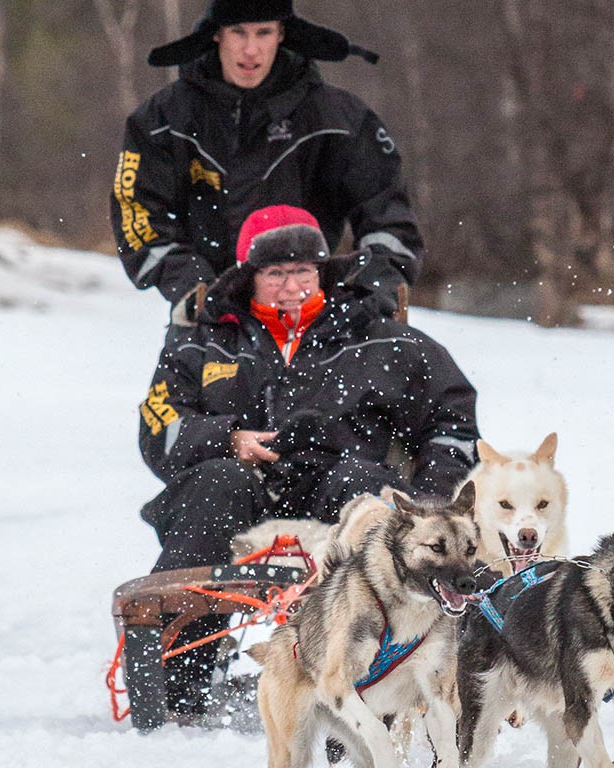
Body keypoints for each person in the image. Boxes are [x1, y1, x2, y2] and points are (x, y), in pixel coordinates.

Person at [137, 204, 478, 718]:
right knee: (215, 484)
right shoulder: (205, 339)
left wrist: (431, 501)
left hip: (338, 483)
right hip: (243, 484)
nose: (290, 284)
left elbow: (452, 422)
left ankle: (373, 680)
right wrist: (227, 439)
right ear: (249, 279)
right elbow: (159, 428)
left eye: (302, 270)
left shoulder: (381, 337)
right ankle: (181, 687)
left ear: (323, 272)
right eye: (274, 273)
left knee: (369, 492)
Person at [111, 0, 423, 325]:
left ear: (282, 34)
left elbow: (389, 219)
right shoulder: (162, 119)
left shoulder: (340, 120)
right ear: (216, 34)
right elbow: (137, 213)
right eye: (238, 32)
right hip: (210, 317)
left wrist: (369, 292)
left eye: (263, 32)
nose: (250, 50)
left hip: (314, 318)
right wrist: (193, 287)